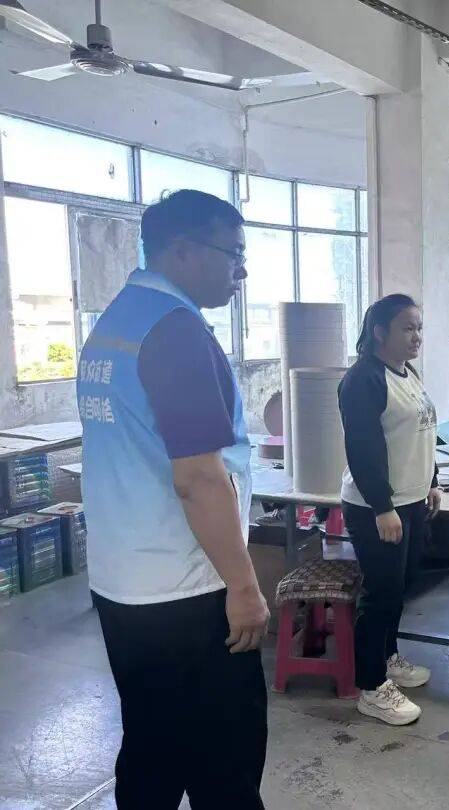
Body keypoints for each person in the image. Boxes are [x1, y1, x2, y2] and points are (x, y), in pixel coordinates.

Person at [77, 190, 268, 808]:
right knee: (226, 761)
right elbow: (198, 479)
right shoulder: (177, 332)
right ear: (182, 251)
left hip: (122, 584)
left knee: (151, 746)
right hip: (187, 591)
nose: (242, 271)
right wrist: (243, 586)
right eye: (233, 254)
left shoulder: (118, 320)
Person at [339, 293, 441, 726]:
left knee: (400, 588)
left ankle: (388, 657)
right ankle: (371, 686)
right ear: (380, 332)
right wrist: (382, 506)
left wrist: (432, 481)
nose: (417, 336)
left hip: (411, 501)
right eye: (407, 328)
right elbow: (362, 448)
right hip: (377, 508)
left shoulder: (408, 372)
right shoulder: (363, 379)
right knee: (380, 594)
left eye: (419, 328)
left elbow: (423, 432)